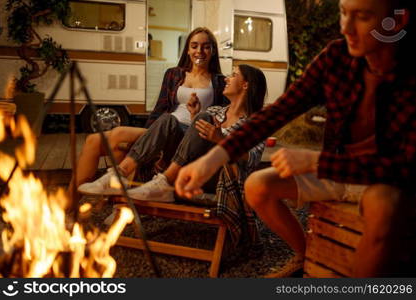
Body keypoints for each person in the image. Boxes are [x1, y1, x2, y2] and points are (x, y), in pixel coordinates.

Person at [175, 0, 416, 277]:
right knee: (257, 185)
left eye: (361, 16)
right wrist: (213, 158)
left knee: (383, 204)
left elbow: (402, 168)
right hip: (337, 172)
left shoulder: (408, 75)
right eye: (343, 12)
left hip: (385, 181)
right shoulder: (337, 57)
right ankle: (304, 256)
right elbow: (278, 112)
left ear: (395, 22)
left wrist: (315, 161)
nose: (346, 28)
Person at [69, 27, 227, 196]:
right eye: (194, 46)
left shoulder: (219, 82)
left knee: (118, 134)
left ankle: (114, 189)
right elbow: (160, 108)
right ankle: (70, 203)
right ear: (188, 50)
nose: (199, 51)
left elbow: (221, 117)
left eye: (206, 46)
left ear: (213, 51)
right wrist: (154, 136)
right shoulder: (174, 74)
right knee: (93, 140)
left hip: (188, 134)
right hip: (166, 126)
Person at [127, 64, 267, 249]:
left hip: (219, 179)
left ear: (246, 85)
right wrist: (194, 117)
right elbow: (190, 147)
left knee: (203, 118)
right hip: (191, 170)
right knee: (168, 120)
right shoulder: (215, 111)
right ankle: (122, 172)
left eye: (233, 75)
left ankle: (164, 181)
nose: (226, 79)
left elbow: (251, 159)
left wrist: (221, 139)